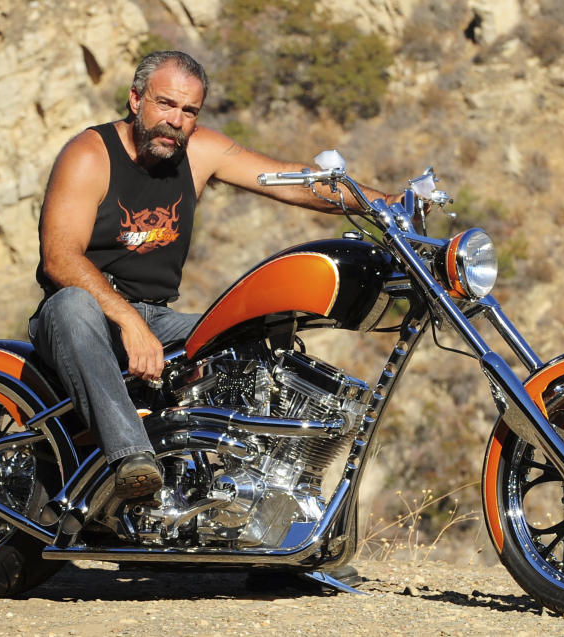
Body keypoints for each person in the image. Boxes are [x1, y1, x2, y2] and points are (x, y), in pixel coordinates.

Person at [29, 50, 399, 502]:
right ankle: (131, 462)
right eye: (165, 104)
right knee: (73, 305)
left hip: (155, 317)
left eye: (189, 111)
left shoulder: (199, 151)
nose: (176, 120)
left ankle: (268, 506)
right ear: (135, 99)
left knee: (252, 334)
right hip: (79, 315)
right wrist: (130, 324)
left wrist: (386, 203)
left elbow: (293, 180)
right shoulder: (90, 155)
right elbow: (60, 260)